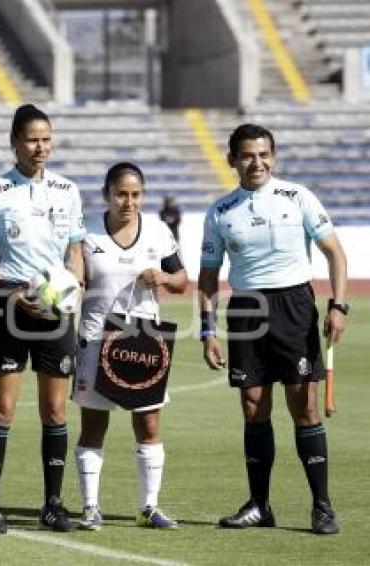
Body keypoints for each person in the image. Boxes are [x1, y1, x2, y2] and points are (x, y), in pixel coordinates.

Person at [199, 123, 348, 535]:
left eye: (264, 154)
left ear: (274, 157)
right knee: (252, 406)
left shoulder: (297, 196)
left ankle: (322, 507)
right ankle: (260, 505)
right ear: (233, 160)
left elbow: (335, 254)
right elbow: (208, 278)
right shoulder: (220, 211)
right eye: (247, 155)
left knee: (304, 406)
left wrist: (338, 305)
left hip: (293, 306)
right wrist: (208, 331)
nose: (257, 162)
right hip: (246, 309)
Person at [0, 104, 86, 533]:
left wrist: (73, 288)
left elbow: (74, 251)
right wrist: (11, 290)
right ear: (15, 142)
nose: (41, 147)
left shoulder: (67, 190)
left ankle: (53, 503)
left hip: (55, 311)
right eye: (32, 140)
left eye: (46, 139)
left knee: (55, 410)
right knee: (2, 409)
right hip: (9, 306)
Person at [72, 162, 187, 531]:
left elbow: (182, 280)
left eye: (136, 194)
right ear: (107, 194)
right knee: (93, 426)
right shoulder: (86, 234)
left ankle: (148, 508)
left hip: (144, 341)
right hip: (95, 339)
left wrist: (164, 277)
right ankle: (91, 507)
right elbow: (72, 282)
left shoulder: (158, 231)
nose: (129, 201)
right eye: (121, 193)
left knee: (149, 423)